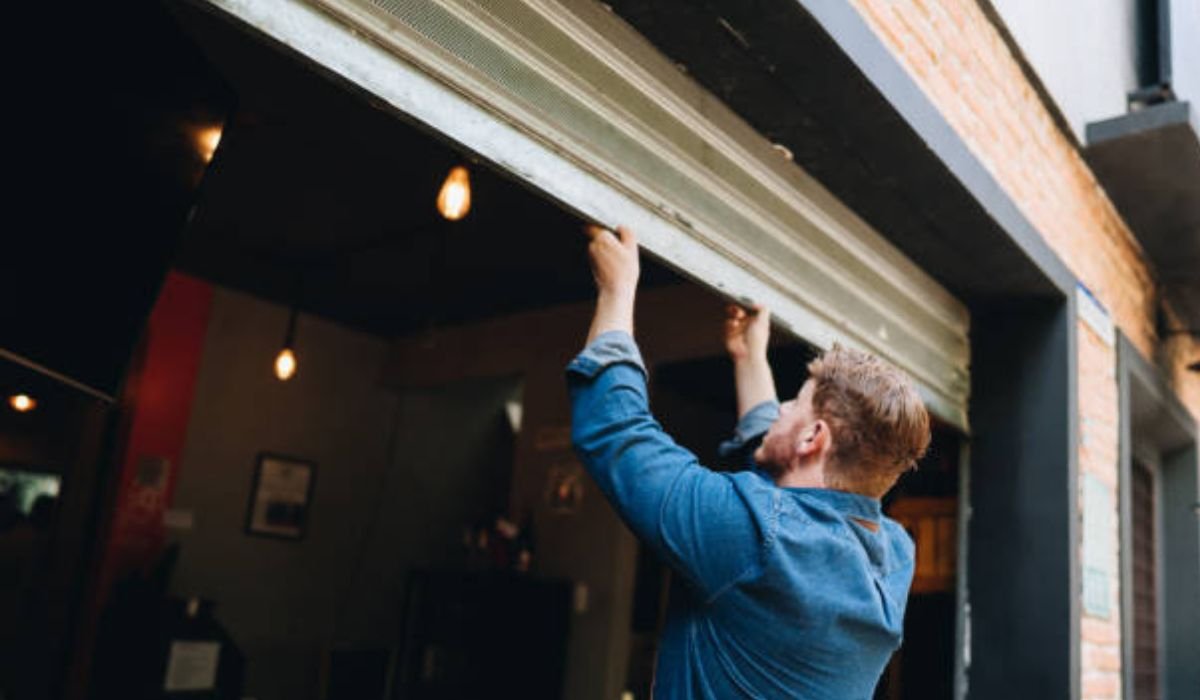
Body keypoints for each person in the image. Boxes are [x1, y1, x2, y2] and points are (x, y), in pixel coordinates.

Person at [567, 224, 931, 699]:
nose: (779, 408)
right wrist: (749, 359)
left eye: (793, 403)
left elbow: (617, 432)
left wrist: (617, 290)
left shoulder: (754, 539)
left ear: (813, 438)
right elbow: (793, 490)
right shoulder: (895, 557)